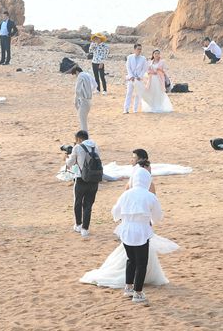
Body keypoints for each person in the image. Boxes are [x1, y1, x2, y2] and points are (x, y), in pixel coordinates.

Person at [111, 157, 164, 304]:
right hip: (141, 230)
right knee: (141, 263)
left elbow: (115, 211)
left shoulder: (126, 194)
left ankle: (128, 287)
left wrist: (124, 217)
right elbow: (158, 216)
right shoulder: (149, 196)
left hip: (126, 229)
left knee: (131, 260)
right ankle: (138, 293)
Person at [66, 130, 101, 238]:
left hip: (81, 179)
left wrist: (68, 157)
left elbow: (70, 163)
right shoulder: (95, 146)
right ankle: (85, 229)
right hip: (94, 178)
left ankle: (78, 225)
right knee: (88, 205)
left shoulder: (77, 147)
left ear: (79, 139)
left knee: (78, 202)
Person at [141, 49, 173, 113]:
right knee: (152, 91)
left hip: (159, 79)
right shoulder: (150, 62)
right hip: (152, 79)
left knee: (159, 92)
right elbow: (147, 71)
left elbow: (165, 69)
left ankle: (159, 106)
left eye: (158, 54)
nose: (157, 55)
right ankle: (153, 106)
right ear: (153, 54)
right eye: (155, 54)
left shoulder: (162, 62)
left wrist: (159, 71)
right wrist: (151, 72)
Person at [69, 64, 94, 132]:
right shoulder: (87, 75)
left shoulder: (80, 76)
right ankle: (85, 139)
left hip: (84, 101)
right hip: (89, 101)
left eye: (75, 74)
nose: (76, 76)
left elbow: (77, 90)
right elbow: (95, 85)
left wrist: (76, 101)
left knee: (83, 123)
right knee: (84, 122)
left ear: (77, 72)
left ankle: (85, 140)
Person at [124, 43, 148, 113]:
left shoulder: (143, 58)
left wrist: (139, 77)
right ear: (134, 49)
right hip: (131, 78)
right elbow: (128, 67)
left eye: (140, 49)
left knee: (137, 94)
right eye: (138, 49)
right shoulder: (129, 57)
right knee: (129, 93)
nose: (139, 50)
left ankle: (135, 109)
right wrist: (131, 76)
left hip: (139, 79)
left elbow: (144, 69)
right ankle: (126, 109)